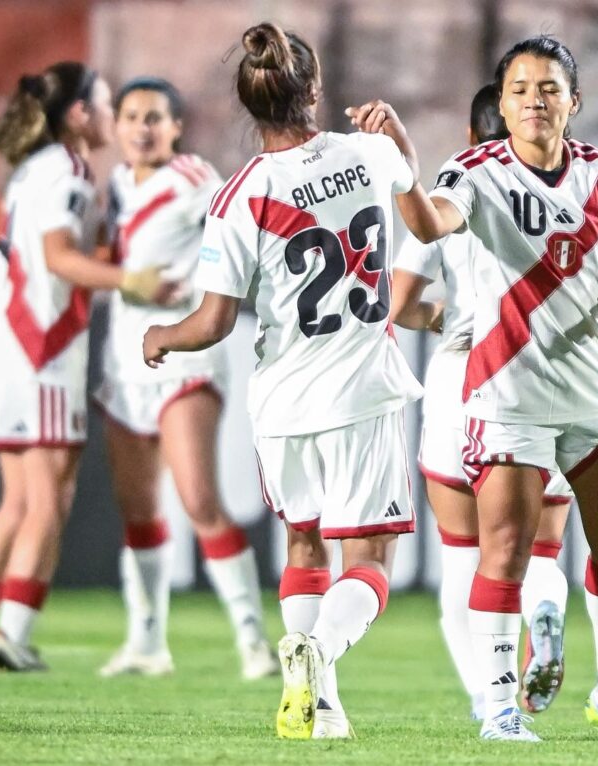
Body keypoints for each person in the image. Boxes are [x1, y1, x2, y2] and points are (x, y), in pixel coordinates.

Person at [349, 35, 598, 742]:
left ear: (573, 102)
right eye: (520, 88)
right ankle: (498, 710)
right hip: (506, 390)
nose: (534, 98)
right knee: (505, 554)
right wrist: (405, 160)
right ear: (502, 102)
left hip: (597, 390)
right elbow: (431, 223)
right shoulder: (474, 172)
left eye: (549, 87)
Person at [141, 23, 434, 739]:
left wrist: (161, 335)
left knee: (304, 543)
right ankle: (319, 649)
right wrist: (405, 148)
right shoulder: (370, 153)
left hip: (282, 402)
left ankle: (319, 707)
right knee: (368, 561)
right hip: (362, 392)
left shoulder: (239, 196)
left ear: (249, 103)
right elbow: (427, 224)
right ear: (315, 90)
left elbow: (211, 322)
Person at [392, 82, 598, 720]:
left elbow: (396, 305)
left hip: (460, 378)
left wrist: (446, 315)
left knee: (465, 553)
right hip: (550, 377)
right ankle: (545, 605)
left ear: (472, 141)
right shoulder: (578, 193)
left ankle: (488, 699)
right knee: (540, 547)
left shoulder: (456, 187)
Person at [0, 62, 173, 671]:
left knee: (17, 502)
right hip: (36, 351)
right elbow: (58, 257)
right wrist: (130, 277)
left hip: (0, 347)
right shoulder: (67, 172)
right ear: (78, 115)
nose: (106, 114)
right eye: (101, 103)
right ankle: (10, 636)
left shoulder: (33, 171)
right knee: (48, 500)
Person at [94, 77, 278, 680]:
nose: (141, 128)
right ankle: (146, 643)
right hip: (125, 360)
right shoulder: (120, 184)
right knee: (140, 508)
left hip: (184, 357)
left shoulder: (195, 178)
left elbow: (249, 225)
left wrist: (220, 285)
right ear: (116, 126)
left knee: (199, 499)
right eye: (130, 116)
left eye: (155, 117)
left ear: (176, 127)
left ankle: (254, 644)